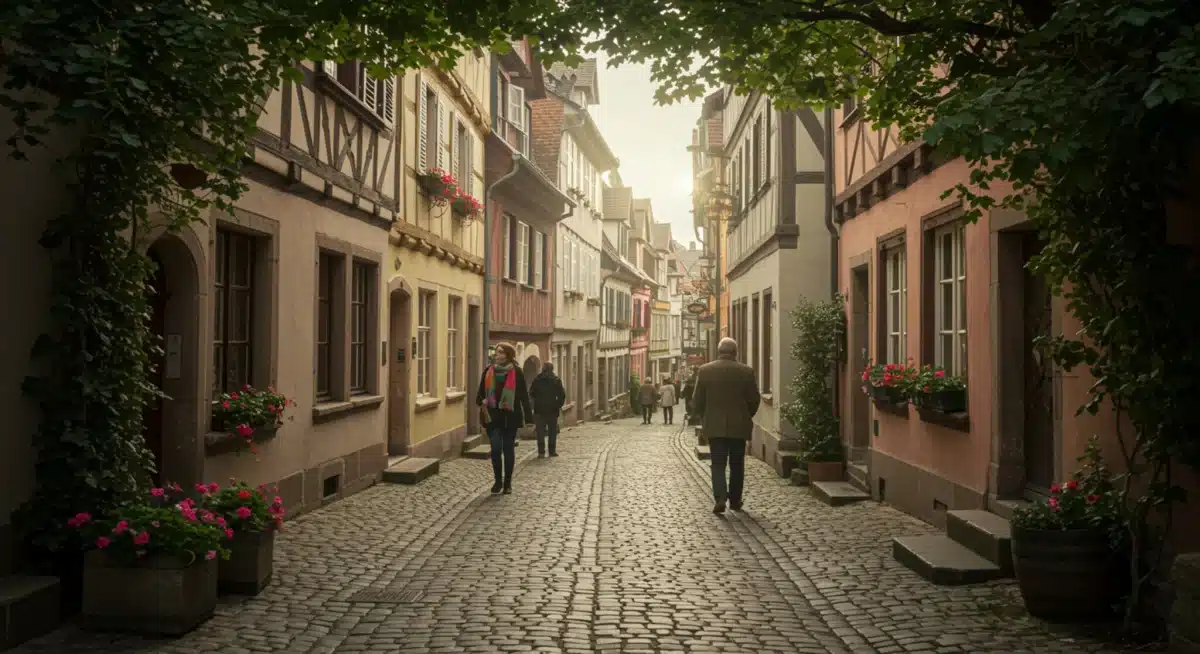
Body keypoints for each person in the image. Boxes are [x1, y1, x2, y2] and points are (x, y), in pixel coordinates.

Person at [690, 338, 760, 514]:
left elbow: (697, 400)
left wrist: (704, 416)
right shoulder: (746, 371)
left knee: (718, 463)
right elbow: (754, 399)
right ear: (735, 352)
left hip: (715, 426)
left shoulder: (705, 371)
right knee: (737, 464)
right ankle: (735, 500)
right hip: (739, 426)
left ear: (718, 351)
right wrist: (745, 416)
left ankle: (720, 498)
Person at [475, 343, 533, 495]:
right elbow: (480, 393)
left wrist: (529, 418)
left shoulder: (517, 372)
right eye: (496, 352)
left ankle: (507, 483)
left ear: (508, 355)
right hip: (493, 417)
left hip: (510, 417)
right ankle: (497, 481)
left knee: (508, 450)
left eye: (500, 353)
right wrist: (481, 400)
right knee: (495, 449)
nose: (497, 355)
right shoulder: (489, 371)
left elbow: (523, 396)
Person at [530, 361, 566, 458]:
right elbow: (562, 395)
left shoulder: (537, 379)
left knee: (540, 431)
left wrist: (537, 401)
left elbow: (531, 392)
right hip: (552, 410)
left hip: (540, 409)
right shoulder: (556, 380)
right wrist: (558, 404)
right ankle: (552, 451)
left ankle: (541, 452)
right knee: (552, 431)